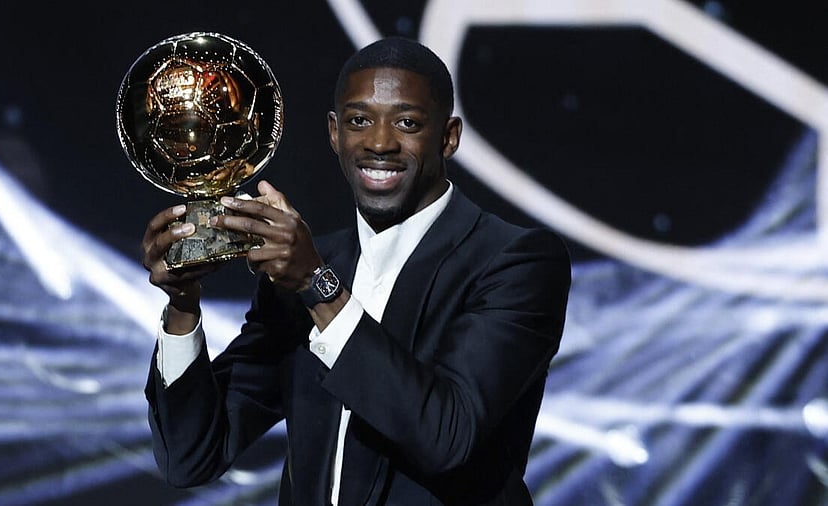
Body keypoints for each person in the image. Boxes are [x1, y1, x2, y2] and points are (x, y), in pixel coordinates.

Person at [142, 36, 571, 505]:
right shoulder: (301, 274)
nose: (380, 142)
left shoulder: (515, 262)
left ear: (448, 137)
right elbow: (191, 457)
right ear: (334, 133)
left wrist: (317, 286)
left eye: (407, 122)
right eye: (359, 121)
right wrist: (182, 307)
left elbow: (446, 436)